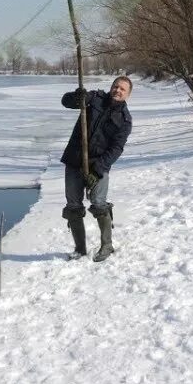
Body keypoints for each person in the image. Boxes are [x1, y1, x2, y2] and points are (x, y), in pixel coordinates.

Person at [60, 75, 132, 262]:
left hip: (99, 164)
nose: (118, 90)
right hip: (75, 159)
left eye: (122, 89)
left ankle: (107, 245)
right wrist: (77, 97)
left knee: (99, 204)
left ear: (128, 95)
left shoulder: (124, 120)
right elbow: (66, 102)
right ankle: (80, 248)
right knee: (73, 206)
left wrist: (97, 170)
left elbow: (116, 148)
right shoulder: (95, 98)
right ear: (111, 87)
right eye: (116, 86)